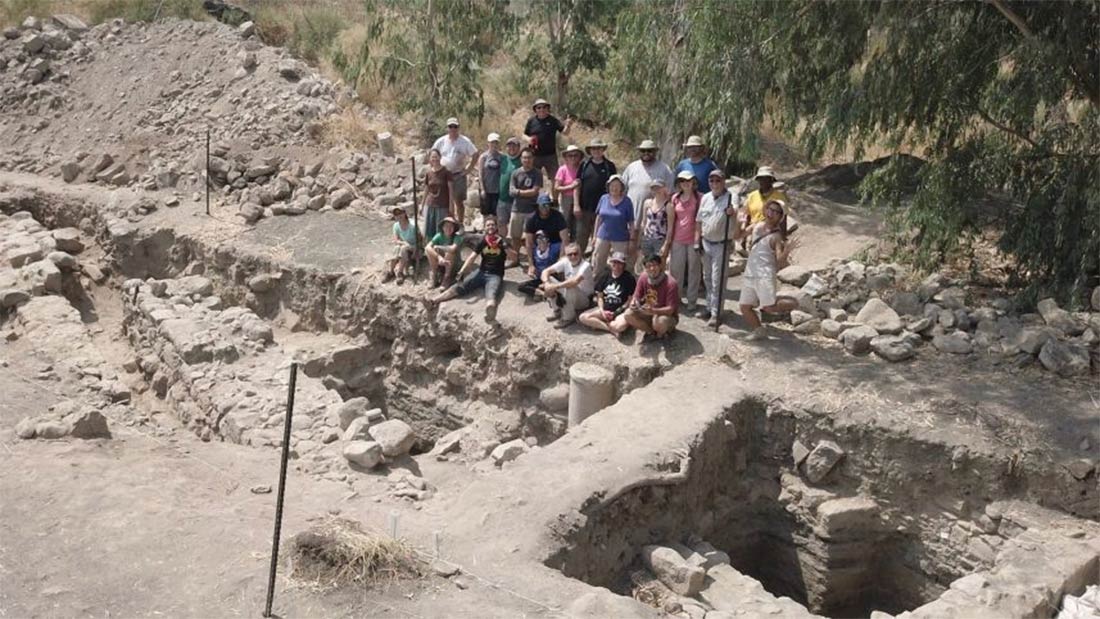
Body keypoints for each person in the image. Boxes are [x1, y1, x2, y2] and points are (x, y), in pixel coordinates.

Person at [427, 215, 515, 323]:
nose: (490, 227)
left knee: (491, 294)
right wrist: (461, 271)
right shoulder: (483, 240)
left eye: (492, 225)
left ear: (496, 227)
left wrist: (504, 245)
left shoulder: (502, 241)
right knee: (458, 287)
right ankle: (433, 301)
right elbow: (472, 257)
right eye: (488, 225)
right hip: (481, 272)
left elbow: (514, 257)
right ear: (484, 228)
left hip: (495, 275)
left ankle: (490, 312)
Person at [735, 199, 800, 340]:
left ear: (780, 217)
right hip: (750, 272)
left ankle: (797, 303)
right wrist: (738, 221)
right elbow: (737, 236)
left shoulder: (776, 236)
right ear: (765, 210)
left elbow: (780, 261)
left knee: (769, 307)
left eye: (776, 212)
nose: (771, 213)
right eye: (769, 209)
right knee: (745, 306)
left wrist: (787, 251)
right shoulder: (756, 226)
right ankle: (759, 330)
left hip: (765, 274)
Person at [694, 169, 737, 326]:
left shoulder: (731, 197)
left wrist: (732, 212)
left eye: (718, 180)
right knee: (707, 277)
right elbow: (699, 221)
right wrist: (697, 241)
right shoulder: (706, 198)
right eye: (711, 180)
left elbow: (735, 210)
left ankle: (716, 313)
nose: (714, 183)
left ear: (724, 182)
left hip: (721, 244)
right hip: (706, 242)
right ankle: (709, 307)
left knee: (717, 279)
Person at [609, 253, 679, 342]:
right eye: (648, 266)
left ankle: (664, 332)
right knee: (628, 314)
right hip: (648, 310)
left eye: (654, 265)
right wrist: (634, 303)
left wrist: (654, 311)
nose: (652, 269)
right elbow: (636, 295)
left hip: (665, 315)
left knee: (660, 322)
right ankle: (651, 332)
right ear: (645, 268)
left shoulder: (671, 283)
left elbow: (671, 309)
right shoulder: (643, 277)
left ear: (660, 266)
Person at [667, 169, 702, 316]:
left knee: (694, 270)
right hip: (678, 238)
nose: (686, 183)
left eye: (688, 180)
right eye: (682, 181)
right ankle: (676, 298)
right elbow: (671, 220)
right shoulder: (675, 198)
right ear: (679, 183)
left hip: (694, 239)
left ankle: (692, 300)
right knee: (676, 270)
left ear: (693, 182)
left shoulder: (700, 198)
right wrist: (668, 240)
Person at [431, 117, 479, 223]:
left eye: (455, 126)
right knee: (443, 199)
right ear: (447, 128)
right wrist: (434, 169)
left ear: (458, 128)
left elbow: (475, 154)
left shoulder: (464, 141)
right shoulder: (441, 141)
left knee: (458, 201)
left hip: (457, 175)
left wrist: (468, 169)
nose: (453, 129)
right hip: (443, 175)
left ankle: (460, 223)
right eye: (450, 126)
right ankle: (445, 224)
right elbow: (432, 154)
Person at [579, 251, 637, 335]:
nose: (616, 265)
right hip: (605, 309)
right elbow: (600, 296)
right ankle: (609, 329)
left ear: (624, 265)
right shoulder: (605, 276)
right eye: (614, 262)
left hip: (620, 310)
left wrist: (617, 312)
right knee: (583, 317)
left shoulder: (629, 278)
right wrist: (602, 311)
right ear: (611, 263)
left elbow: (630, 299)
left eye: (619, 263)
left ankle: (601, 324)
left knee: (619, 327)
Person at [576, 138, 616, 254]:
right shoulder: (584, 165)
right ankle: (578, 260)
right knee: (581, 237)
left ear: (603, 150)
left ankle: (594, 261)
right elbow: (577, 185)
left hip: (603, 210)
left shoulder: (609, 166)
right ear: (590, 151)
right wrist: (576, 205)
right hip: (585, 208)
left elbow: (614, 188)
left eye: (599, 148)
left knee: (599, 239)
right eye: (594, 148)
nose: (596, 151)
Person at [620, 139, 674, 225]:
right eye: (643, 151)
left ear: (655, 152)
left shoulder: (665, 169)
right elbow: (622, 190)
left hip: (653, 221)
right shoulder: (631, 167)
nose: (646, 153)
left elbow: (670, 193)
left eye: (649, 150)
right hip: (630, 217)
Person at [540, 242, 594, 328]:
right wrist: (547, 284)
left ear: (580, 253)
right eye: (570, 254)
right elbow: (545, 271)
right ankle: (557, 310)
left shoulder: (585, 265)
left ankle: (568, 317)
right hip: (570, 294)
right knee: (548, 279)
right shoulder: (565, 261)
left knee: (570, 286)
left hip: (584, 299)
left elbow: (575, 281)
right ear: (566, 255)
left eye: (575, 253)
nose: (573, 256)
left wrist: (555, 286)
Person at [591, 174, 635, 280]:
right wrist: (595, 236)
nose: (614, 188)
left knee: (620, 263)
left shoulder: (627, 201)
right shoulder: (603, 198)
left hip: (620, 238)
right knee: (598, 261)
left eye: (617, 186)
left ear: (621, 188)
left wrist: (632, 240)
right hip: (603, 236)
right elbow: (599, 218)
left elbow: (631, 222)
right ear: (608, 186)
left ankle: (620, 284)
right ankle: (598, 283)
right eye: (612, 185)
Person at [507, 148, 543, 267]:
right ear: (521, 159)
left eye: (529, 157)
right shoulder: (515, 173)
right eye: (524, 157)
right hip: (516, 209)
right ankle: (515, 259)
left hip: (531, 210)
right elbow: (511, 191)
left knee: (531, 237)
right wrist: (525, 192)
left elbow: (535, 191)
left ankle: (532, 261)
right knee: (515, 236)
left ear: (533, 159)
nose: (526, 160)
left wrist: (519, 192)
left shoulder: (537, 173)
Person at [524, 98, 573, 179]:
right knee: (532, 179)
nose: (541, 109)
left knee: (555, 179)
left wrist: (568, 125)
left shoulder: (553, 120)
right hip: (535, 155)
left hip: (550, 155)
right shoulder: (531, 121)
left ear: (547, 108)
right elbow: (524, 134)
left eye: (544, 107)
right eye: (539, 107)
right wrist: (528, 139)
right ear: (535, 109)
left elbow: (565, 133)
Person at [524, 193, 570, 277]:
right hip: (540, 244)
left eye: (547, 205)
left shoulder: (558, 216)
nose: (545, 208)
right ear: (538, 206)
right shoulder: (532, 218)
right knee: (539, 273)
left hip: (555, 245)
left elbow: (565, 239)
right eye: (542, 205)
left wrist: (561, 260)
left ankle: (557, 269)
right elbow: (528, 242)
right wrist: (531, 264)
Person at [421, 148, 454, 241]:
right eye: (432, 157)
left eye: (436, 157)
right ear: (430, 159)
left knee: (441, 228)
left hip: (442, 205)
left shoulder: (446, 172)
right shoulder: (428, 173)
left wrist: (451, 205)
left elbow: (451, 190)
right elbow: (426, 189)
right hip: (430, 205)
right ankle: (429, 246)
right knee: (429, 229)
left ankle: (441, 247)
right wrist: (422, 205)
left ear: (440, 157)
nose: (434, 159)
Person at [382, 205, 419, 285]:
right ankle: (391, 271)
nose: (399, 216)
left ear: (405, 213)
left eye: (400, 213)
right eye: (396, 214)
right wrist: (403, 243)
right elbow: (396, 240)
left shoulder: (412, 225)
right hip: (404, 245)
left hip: (414, 246)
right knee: (397, 247)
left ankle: (400, 272)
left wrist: (415, 250)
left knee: (403, 248)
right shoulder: (396, 225)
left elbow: (420, 239)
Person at [518, 230, 561, 295]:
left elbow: (564, 244)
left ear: (548, 240)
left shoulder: (553, 248)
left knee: (553, 288)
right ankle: (542, 294)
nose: (541, 240)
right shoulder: (534, 250)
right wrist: (531, 269)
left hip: (551, 278)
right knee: (521, 286)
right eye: (539, 238)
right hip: (539, 279)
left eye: (544, 238)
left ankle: (544, 293)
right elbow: (524, 241)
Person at [425, 216, 463, 289]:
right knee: (429, 250)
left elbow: (452, 249)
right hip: (441, 262)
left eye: (451, 226)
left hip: (453, 265)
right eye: (446, 226)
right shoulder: (439, 235)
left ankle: (447, 277)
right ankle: (434, 275)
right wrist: (439, 257)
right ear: (442, 227)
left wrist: (439, 247)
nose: (448, 228)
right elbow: (427, 247)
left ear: (454, 228)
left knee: (449, 252)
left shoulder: (457, 237)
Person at [554, 144, 583, 239]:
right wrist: (570, 187)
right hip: (565, 198)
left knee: (577, 223)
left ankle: (574, 243)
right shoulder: (562, 169)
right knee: (564, 221)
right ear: (566, 157)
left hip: (580, 198)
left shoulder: (582, 168)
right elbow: (556, 187)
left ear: (579, 157)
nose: (573, 158)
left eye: (575, 155)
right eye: (570, 155)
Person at [639, 178, 671, 261]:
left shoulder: (668, 206)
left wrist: (666, 244)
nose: (657, 190)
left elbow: (670, 228)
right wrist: (641, 239)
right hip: (647, 238)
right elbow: (643, 222)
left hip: (660, 240)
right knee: (646, 262)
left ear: (664, 188)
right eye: (654, 188)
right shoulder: (647, 203)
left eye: (659, 188)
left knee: (660, 263)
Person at [496, 137, 523, 231]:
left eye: (514, 146)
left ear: (519, 147)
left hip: (516, 201)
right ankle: (503, 240)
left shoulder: (522, 160)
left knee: (515, 228)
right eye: (509, 146)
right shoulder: (503, 158)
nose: (511, 148)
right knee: (501, 224)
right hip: (502, 199)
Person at [476, 133, 503, 226]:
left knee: (496, 213)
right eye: (492, 142)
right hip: (486, 189)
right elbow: (480, 174)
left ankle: (495, 231)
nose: (494, 145)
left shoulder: (502, 157)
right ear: (488, 143)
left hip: (497, 190)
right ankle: (486, 230)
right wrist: (482, 189)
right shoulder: (483, 157)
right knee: (485, 213)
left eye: (496, 142)